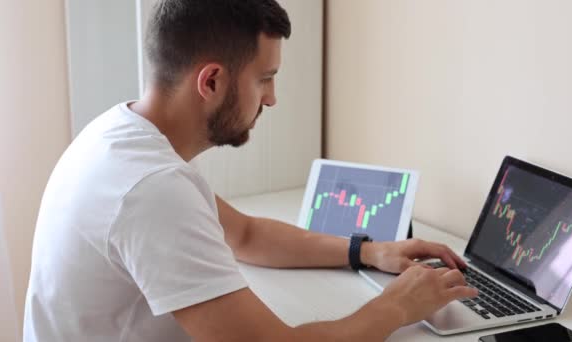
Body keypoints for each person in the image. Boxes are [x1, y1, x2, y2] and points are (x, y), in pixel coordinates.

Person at [23, 0, 477, 341]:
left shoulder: (122, 132)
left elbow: (244, 235)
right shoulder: (152, 188)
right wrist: (399, 306)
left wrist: (370, 252)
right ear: (212, 81)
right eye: (265, 78)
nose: (272, 98)